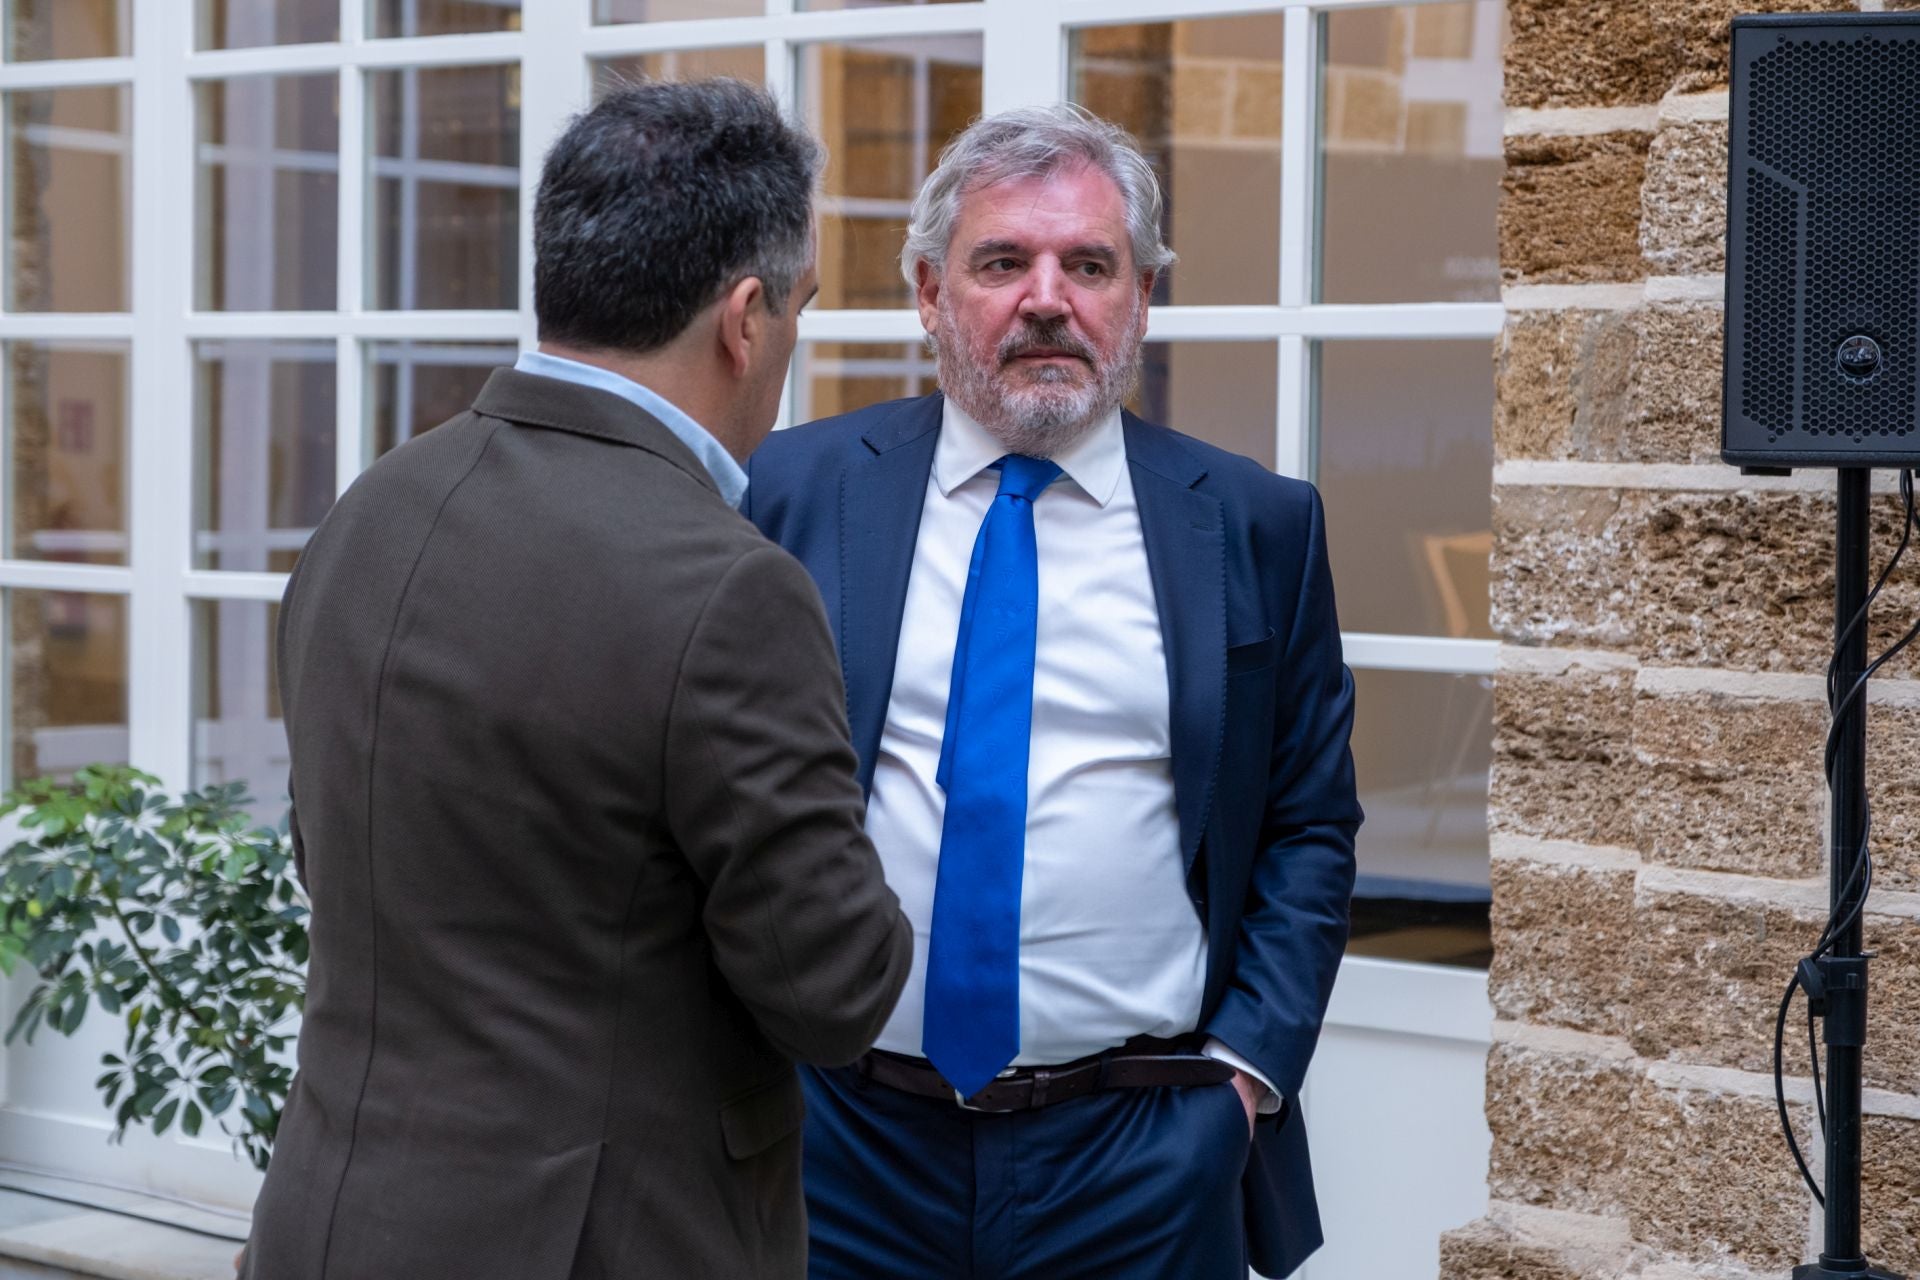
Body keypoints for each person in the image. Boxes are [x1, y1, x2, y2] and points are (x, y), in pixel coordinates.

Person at [243, 81, 912, 1280]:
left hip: (324, 1220)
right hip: (600, 1242)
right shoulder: (730, 587)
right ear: (745, 319)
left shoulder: (365, 512)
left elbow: (337, 854)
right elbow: (829, 989)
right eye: (801, 306)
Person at [745, 103, 1361, 1280]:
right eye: (1001, 262)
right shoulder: (792, 489)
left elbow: (1308, 824)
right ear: (930, 292)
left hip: (1139, 1157)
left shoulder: (1255, 525)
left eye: (1089, 264)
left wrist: (1241, 1079)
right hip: (842, 1145)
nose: (1048, 299)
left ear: (1141, 297)